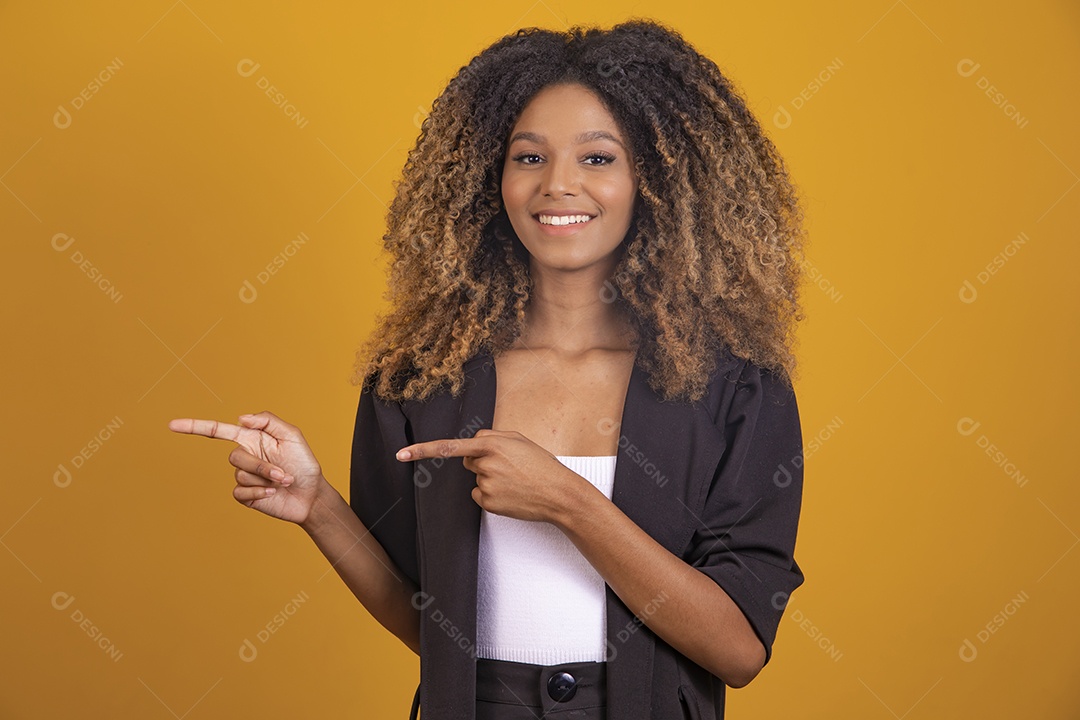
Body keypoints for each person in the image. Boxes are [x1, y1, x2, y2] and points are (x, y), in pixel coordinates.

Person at [170, 18, 808, 720]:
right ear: (488, 178)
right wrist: (317, 505)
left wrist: (566, 501)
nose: (557, 184)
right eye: (528, 157)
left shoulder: (734, 386)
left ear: (657, 178)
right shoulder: (422, 376)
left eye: (598, 158)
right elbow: (429, 624)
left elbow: (739, 650)